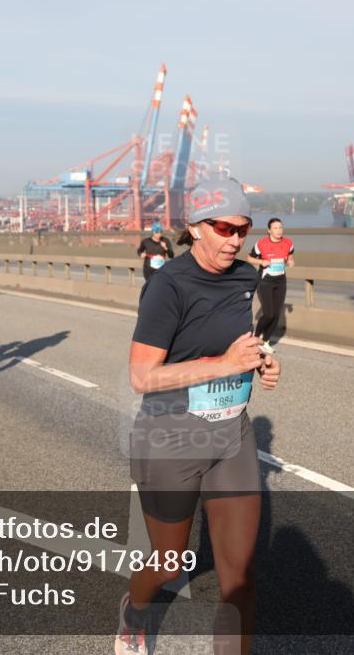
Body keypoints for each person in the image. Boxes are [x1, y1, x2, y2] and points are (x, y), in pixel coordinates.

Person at [117, 178, 281, 654]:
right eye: (225, 228)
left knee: (240, 579)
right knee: (168, 563)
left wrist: (261, 361)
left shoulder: (245, 277)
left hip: (231, 436)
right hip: (170, 438)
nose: (235, 240)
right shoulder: (168, 285)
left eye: (243, 229)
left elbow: (235, 342)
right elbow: (142, 377)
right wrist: (223, 365)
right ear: (195, 227)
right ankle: (133, 614)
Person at [247, 217, 295, 352]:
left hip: (281, 281)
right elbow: (249, 258)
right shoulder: (261, 244)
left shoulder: (288, 243)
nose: (279, 230)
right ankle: (256, 338)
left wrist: (291, 261)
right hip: (265, 281)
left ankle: (266, 341)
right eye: (275, 228)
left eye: (280, 227)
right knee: (269, 314)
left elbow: (290, 256)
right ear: (269, 230)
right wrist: (261, 262)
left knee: (276, 314)